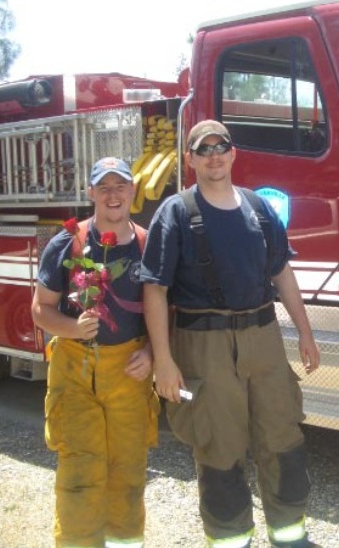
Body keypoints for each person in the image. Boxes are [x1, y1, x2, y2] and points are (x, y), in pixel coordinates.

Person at [140, 120, 321, 548]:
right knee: (219, 445)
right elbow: (155, 290)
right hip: (205, 346)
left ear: (233, 153)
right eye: (203, 150)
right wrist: (163, 360)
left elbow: (282, 272)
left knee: (281, 434)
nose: (214, 156)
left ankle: (289, 532)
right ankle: (230, 538)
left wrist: (306, 333)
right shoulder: (176, 213)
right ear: (190, 160)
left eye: (221, 147)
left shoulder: (258, 208)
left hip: (264, 338)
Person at [31, 157, 159, 548]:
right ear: (91, 193)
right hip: (74, 372)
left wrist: (152, 353)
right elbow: (40, 309)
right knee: (80, 474)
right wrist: (73, 328)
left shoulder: (149, 245)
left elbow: (164, 310)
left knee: (128, 472)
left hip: (129, 374)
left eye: (120, 186)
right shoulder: (66, 244)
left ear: (133, 191)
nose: (113, 195)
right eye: (104, 187)